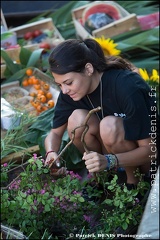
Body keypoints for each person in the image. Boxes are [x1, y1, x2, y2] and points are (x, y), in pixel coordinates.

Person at [44, 38, 158, 188]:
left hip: (143, 161)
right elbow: (55, 133)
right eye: (59, 85)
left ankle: (134, 185)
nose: (64, 90)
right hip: (110, 160)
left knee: (109, 125)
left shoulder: (127, 86)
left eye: (68, 82)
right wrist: (51, 153)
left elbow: (151, 151)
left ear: (89, 69)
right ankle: (103, 181)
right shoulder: (70, 93)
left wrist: (110, 160)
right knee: (77, 120)